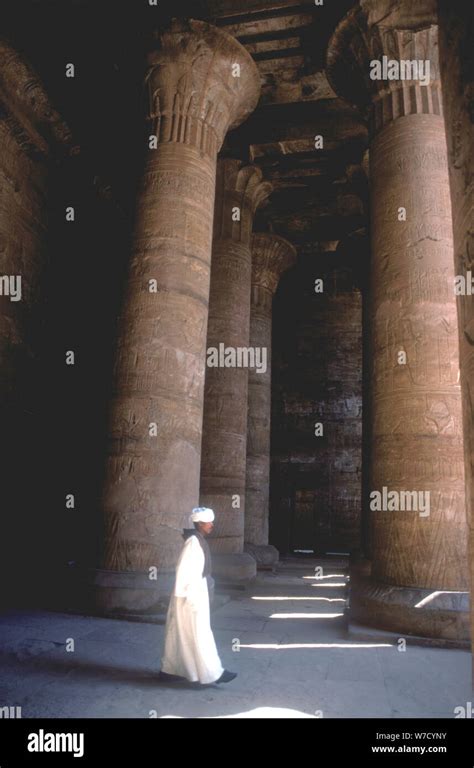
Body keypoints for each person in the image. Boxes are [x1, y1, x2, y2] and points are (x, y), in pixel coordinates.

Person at [159, 507, 237, 685]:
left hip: (194, 593)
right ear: (200, 524)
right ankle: (213, 673)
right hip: (190, 596)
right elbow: (183, 571)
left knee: (186, 634)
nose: (212, 525)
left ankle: (171, 670)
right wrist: (187, 597)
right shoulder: (193, 542)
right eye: (209, 522)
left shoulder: (197, 540)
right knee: (198, 634)